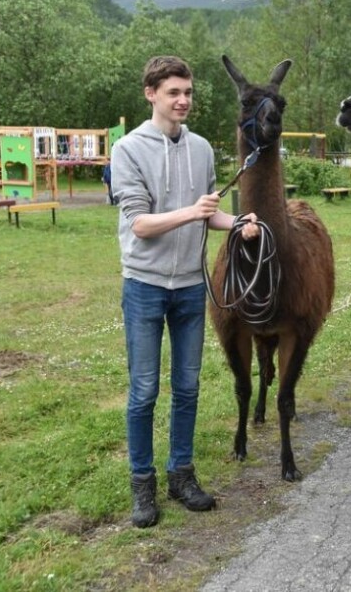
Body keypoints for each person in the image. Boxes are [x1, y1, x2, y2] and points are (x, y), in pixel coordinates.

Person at [112, 55, 260, 528]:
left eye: (188, 92)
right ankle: (143, 484)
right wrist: (193, 212)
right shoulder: (128, 150)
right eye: (173, 92)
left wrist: (238, 223)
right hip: (145, 286)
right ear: (151, 94)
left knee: (188, 387)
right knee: (144, 391)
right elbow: (140, 224)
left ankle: (181, 475)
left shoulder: (201, 150)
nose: (183, 101)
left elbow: (209, 213)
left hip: (191, 287)